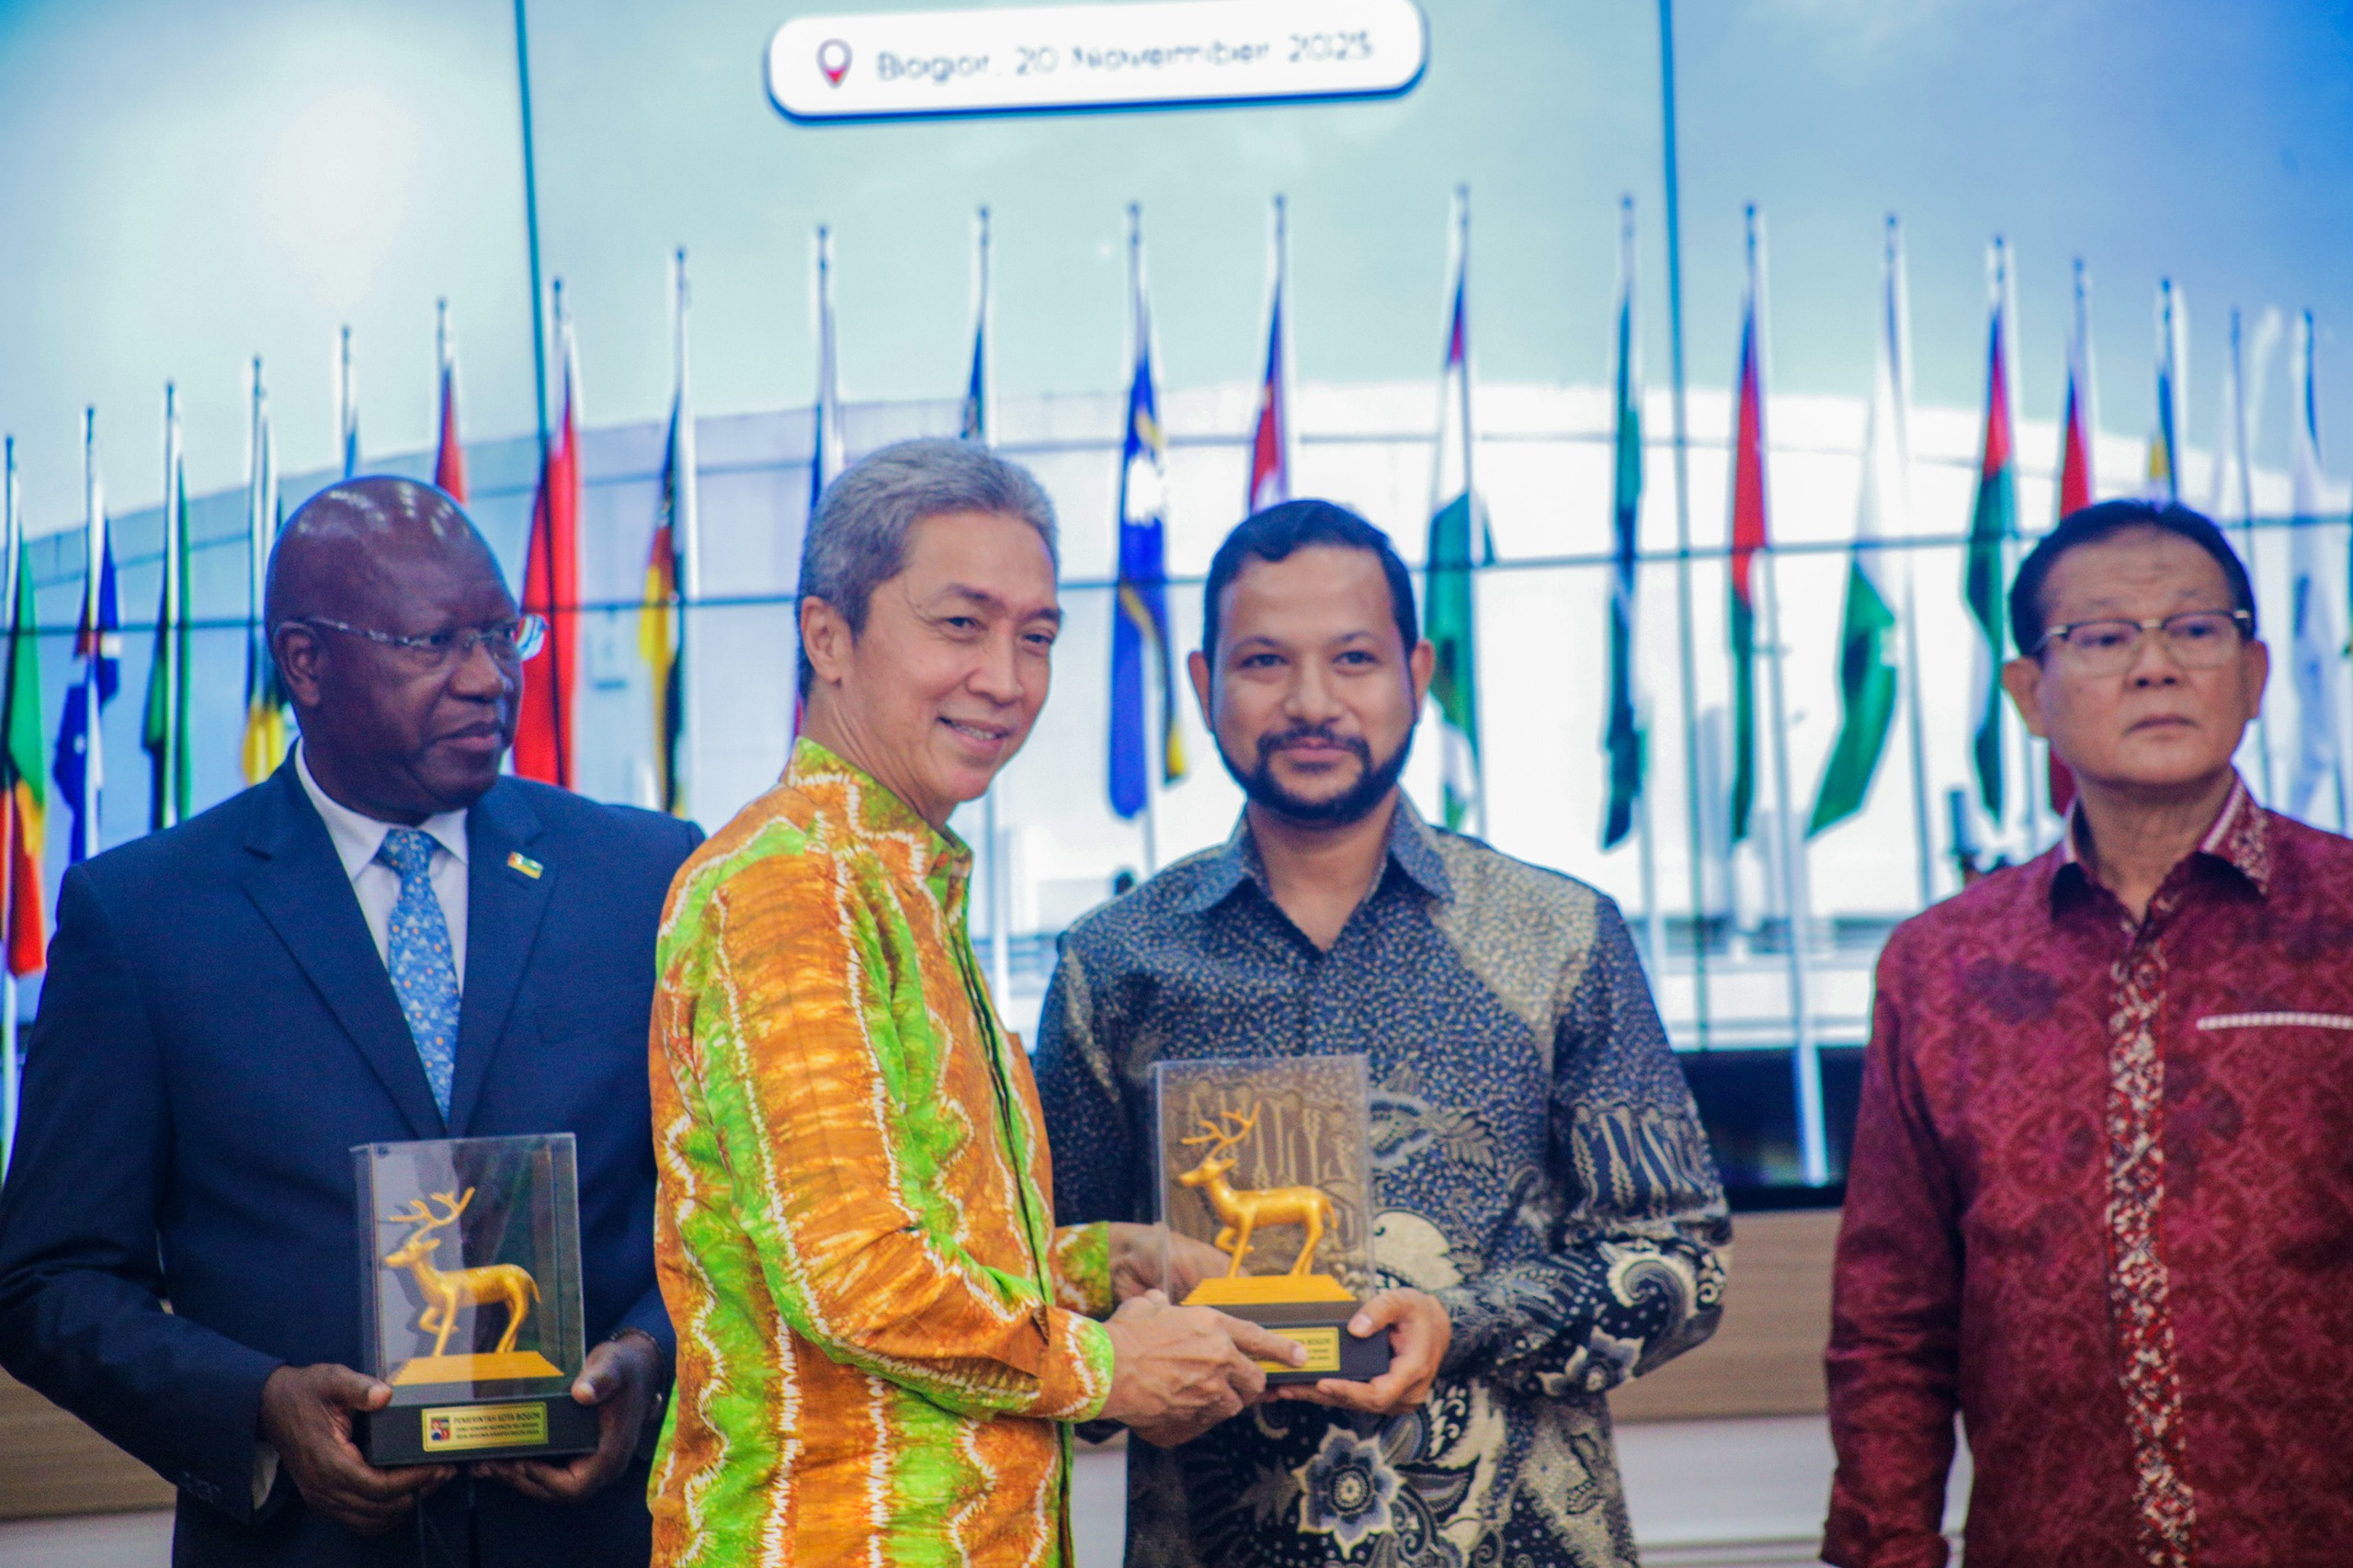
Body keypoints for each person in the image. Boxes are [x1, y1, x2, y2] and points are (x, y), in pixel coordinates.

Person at [0, 477, 698, 1567]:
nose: (488, 680)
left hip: (605, 1539)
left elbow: (728, 1207)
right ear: (306, 661)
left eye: (500, 634)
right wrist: (258, 1405)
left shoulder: (646, 876)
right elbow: (49, 1281)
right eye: (432, 643)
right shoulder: (145, 918)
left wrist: (652, 1358)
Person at [1034, 500, 1731, 1568]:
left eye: (1353, 658)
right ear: (1200, 680)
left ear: (1416, 668)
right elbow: (1043, 1292)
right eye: (1264, 660)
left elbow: (1678, 1264)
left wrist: (1469, 1320)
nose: (1311, 701)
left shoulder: (1556, 935)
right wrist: (1118, 1356)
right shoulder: (1112, 964)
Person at [646, 438, 1304, 1568]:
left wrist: (1110, 1262)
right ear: (827, 637)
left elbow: (914, 1235)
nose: (1006, 677)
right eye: (961, 624)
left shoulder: (902, 876)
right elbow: (851, 1275)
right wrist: (1110, 1365)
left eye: (1036, 636)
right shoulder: (792, 885)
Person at [1824, 499, 2353, 1567]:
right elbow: (1893, 1314)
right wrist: (1887, 1546)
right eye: (2104, 636)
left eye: (2195, 629)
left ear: (2251, 674)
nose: (2155, 665)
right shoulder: (1942, 965)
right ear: (2029, 694)